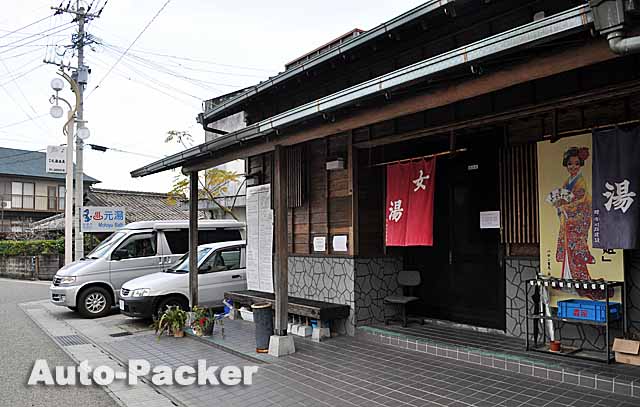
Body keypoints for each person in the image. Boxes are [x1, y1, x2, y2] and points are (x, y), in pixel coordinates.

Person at [553, 146, 604, 300]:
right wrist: (560, 206)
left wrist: (565, 207)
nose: (573, 167)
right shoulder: (567, 181)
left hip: (577, 221)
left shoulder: (580, 182)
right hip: (569, 222)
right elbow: (563, 198)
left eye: (576, 163)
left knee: (575, 253)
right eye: (570, 164)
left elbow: (579, 201)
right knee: (569, 252)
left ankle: (579, 284)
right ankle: (568, 281)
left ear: (581, 164)